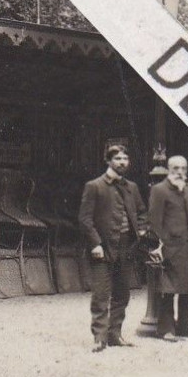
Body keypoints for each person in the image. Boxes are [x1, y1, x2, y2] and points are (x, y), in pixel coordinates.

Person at [79, 145, 148, 353]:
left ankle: (115, 334)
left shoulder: (131, 187)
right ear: (108, 161)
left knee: (122, 293)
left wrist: (142, 230)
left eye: (125, 158)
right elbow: (84, 219)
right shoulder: (95, 186)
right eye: (117, 158)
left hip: (127, 247)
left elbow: (142, 212)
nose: (122, 162)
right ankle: (99, 338)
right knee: (101, 295)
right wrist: (95, 244)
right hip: (103, 248)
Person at [149, 156, 188, 342]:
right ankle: (166, 330)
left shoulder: (187, 190)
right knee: (169, 290)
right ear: (169, 169)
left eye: (183, 168)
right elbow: (154, 222)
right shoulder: (159, 190)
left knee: (187, 289)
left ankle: (186, 327)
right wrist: (161, 246)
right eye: (176, 168)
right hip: (171, 248)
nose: (180, 172)